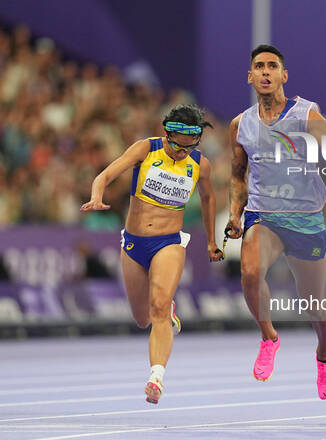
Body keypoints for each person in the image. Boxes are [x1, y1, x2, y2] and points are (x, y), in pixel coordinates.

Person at [225, 45, 326, 400]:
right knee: (251, 272)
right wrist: (236, 214)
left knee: (313, 302)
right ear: (250, 76)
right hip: (263, 215)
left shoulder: (305, 114)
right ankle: (269, 336)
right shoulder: (241, 124)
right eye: (258, 66)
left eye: (272, 66)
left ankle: (324, 353)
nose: (265, 72)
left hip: (304, 216)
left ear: (284, 75)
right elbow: (238, 177)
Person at [81, 104, 223, 404]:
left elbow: (209, 200)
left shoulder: (200, 165)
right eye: (176, 146)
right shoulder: (146, 149)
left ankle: (156, 376)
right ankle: (164, 311)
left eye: (188, 148)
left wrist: (211, 241)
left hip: (168, 243)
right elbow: (104, 175)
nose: (180, 153)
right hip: (134, 243)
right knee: (142, 318)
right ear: (167, 134)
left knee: (158, 307)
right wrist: (96, 197)